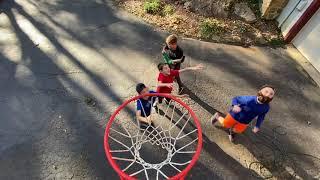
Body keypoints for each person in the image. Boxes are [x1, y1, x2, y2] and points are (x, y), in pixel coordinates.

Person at [211, 85, 275, 142]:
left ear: (272, 97)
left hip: (245, 122)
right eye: (266, 91)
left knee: (238, 130)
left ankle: (232, 132)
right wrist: (235, 105)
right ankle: (217, 116)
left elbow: (261, 116)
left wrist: (257, 126)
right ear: (260, 91)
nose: (268, 94)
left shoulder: (266, 107)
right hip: (234, 116)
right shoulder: (249, 99)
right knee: (225, 124)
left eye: (271, 94)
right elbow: (236, 99)